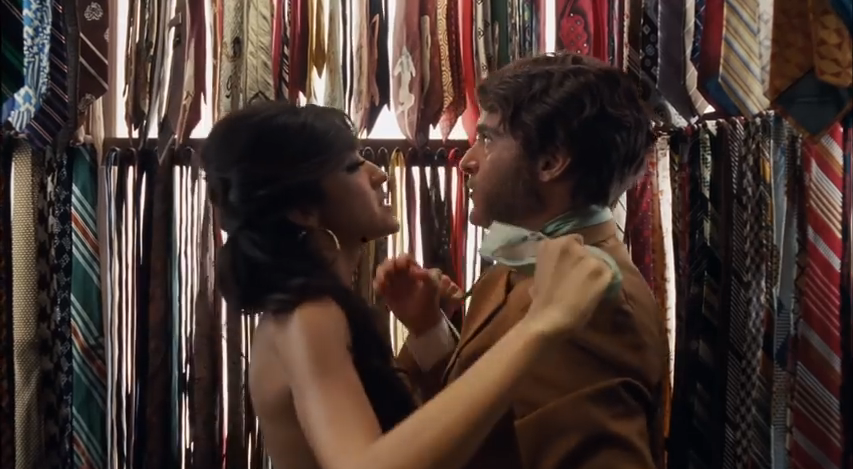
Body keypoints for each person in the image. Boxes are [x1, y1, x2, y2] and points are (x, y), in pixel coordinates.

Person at [200, 101, 619, 469]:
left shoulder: (318, 309)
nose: (380, 175)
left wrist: (426, 331)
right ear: (303, 211)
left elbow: (406, 434)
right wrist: (542, 325)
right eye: (353, 167)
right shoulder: (309, 316)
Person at [378, 53, 668, 469]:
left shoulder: (595, 303)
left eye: (488, 139)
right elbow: (486, 422)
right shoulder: (521, 259)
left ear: (550, 162)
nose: (467, 161)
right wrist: (429, 332)